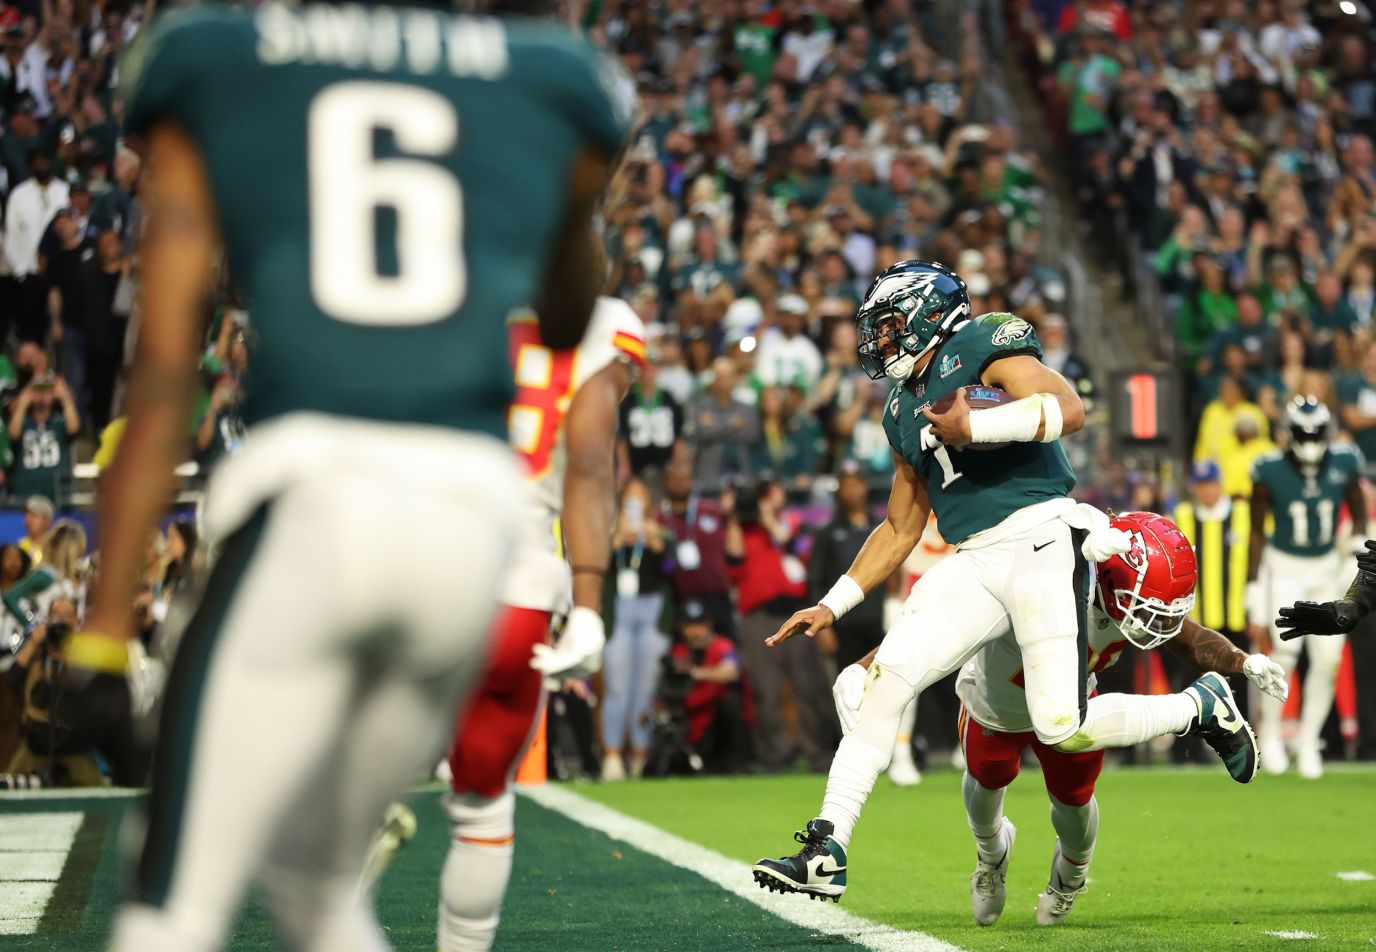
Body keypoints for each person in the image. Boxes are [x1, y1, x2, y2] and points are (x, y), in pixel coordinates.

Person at [78, 2, 632, 948]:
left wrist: (100, 635)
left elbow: (165, 372)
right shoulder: (546, 74)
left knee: (170, 903)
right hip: (474, 530)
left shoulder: (218, 53)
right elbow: (571, 304)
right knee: (319, 886)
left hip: (314, 497)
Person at [752, 259, 1256, 901]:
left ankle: (1199, 706)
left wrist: (976, 426)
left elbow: (1067, 408)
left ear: (925, 313)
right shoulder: (901, 406)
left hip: (1043, 538)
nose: (877, 341)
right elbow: (901, 526)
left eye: (887, 325)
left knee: (1060, 725)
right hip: (974, 556)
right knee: (881, 684)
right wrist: (833, 603)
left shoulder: (981, 340)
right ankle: (827, 850)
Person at [830, 512, 1287, 926]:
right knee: (985, 789)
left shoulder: (1121, 589)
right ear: (1107, 578)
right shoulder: (1036, 574)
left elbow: (1186, 636)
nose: (1153, 623)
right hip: (996, 705)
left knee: (1074, 800)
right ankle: (992, 857)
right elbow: (931, 627)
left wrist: (1241, 661)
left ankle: (1069, 877)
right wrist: (866, 665)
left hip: (1070, 701)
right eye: (1145, 607)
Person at [439, 296, 643, 952]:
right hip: (514, 588)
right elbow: (589, 463)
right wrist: (586, 605)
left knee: (339, 789)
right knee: (480, 801)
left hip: (395, 556)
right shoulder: (604, 321)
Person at [1247, 396, 1367, 779]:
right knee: (1285, 654)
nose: (1311, 439)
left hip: (1327, 569)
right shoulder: (1268, 468)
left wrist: (1356, 547)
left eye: (1317, 432)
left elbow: (1358, 505)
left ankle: (1310, 739)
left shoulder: (1346, 461)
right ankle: (1269, 735)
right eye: (1305, 432)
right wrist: (1253, 586)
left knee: (1329, 659)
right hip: (1285, 567)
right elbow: (1255, 530)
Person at [808, 462, 919, 785]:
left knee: (888, 685)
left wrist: (893, 604)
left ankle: (889, 752)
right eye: (846, 484)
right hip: (844, 626)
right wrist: (822, 627)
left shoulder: (882, 524)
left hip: (877, 621)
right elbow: (817, 582)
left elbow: (895, 565)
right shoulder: (828, 533)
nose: (852, 490)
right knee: (847, 689)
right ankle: (852, 755)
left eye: (857, 483)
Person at [601, 479, 672, 781]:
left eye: (640, 499)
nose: (635, 505)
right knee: (617, 686)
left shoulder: (659, 532)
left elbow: (674, 571)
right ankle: (613, 756)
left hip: (651, 610)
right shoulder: (608, 531)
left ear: (649, 506)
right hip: (618, 611)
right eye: (629, 499)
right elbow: (593, 568)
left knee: (645, 687)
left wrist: (656, 543)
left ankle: (641, 757)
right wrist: (615, 540)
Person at [667, 597, 746, 772]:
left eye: (700, 625)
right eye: (690, 626)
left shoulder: (722, 646)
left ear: (709, 625)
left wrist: (696, 673)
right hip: (689, 715)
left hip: (715, 719)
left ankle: (733, 764)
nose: (696, 631)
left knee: (730, 704)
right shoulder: (679, 651)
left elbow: (731, 672)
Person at [7, 373, 79, 500]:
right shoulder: (23, 424)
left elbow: (74, 429)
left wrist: (65, 398)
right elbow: (13, 434)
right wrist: (23, 403)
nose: (42, 394)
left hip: (56, 496)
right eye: (38, 390)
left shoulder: (60, 423)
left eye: (47, 390)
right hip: (25, 496)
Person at [18, 494, 52, 562]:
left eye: (34, 515)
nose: (28, 520)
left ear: (47, 520)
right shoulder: (20, 548)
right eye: (27, 516)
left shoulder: (57, 548)